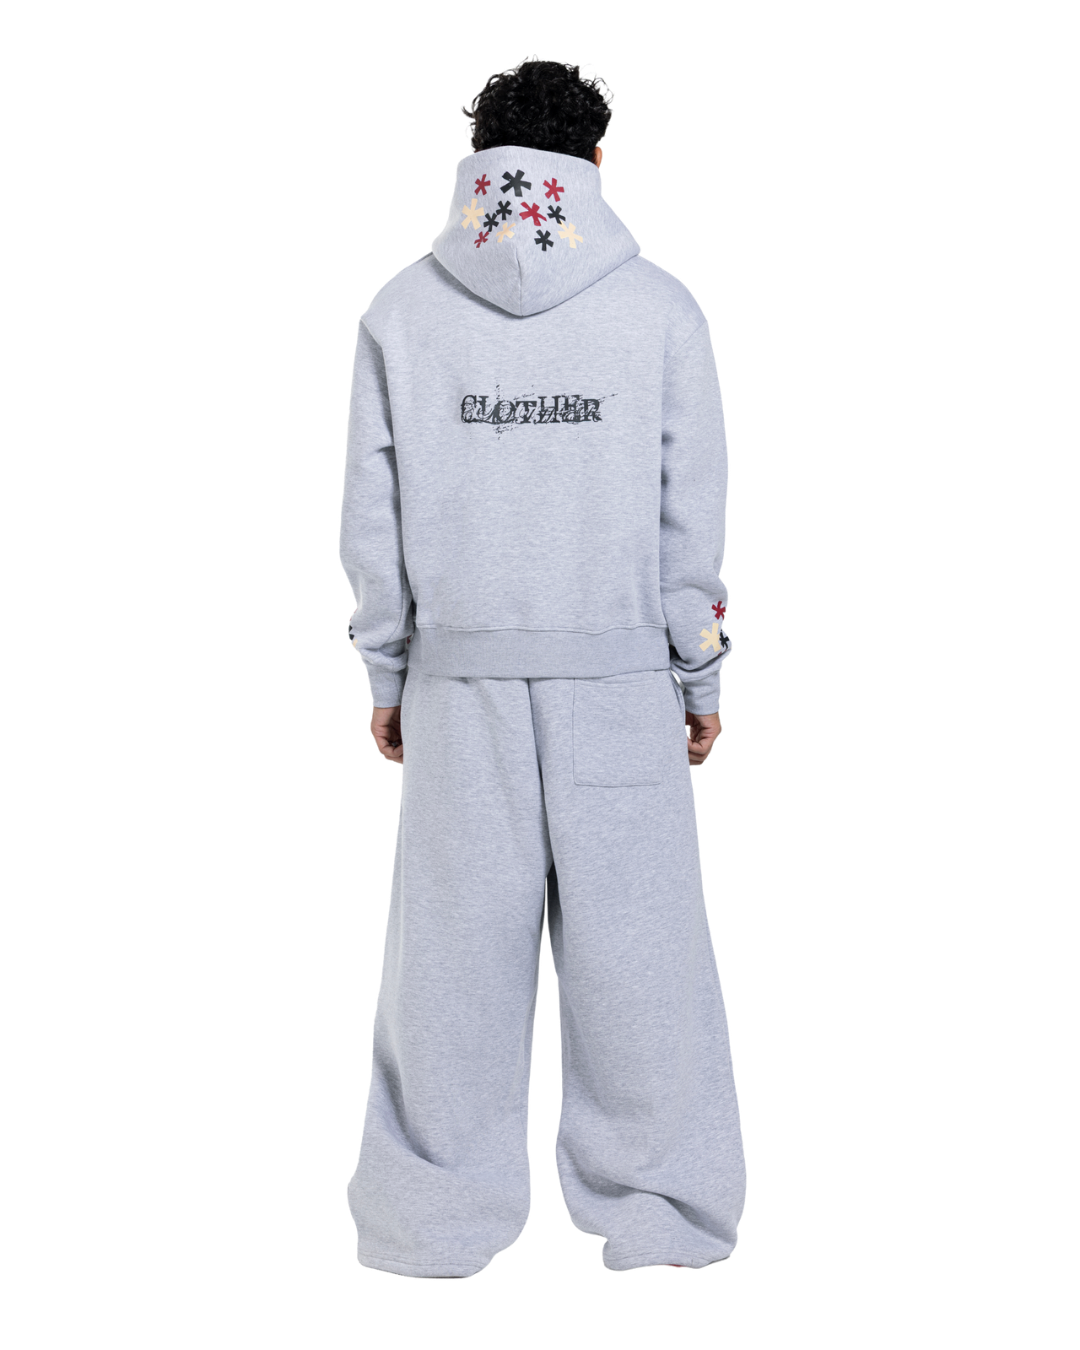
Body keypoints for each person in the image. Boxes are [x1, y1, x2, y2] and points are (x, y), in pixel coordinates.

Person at [340, 55, 744, 1279]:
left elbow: (371, 519)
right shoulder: (661, 310)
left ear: (476, 155)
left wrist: (387, 671)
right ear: (597, 160)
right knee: (643, 960)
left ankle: (427, 1222)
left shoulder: (401, 313)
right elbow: (691, 522)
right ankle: (662, 1212)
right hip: (621, 685)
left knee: (448, 968)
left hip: (458, 688)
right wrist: (699, 676)